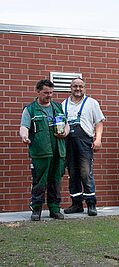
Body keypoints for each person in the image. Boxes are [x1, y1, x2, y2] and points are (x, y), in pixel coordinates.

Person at [19, 79, 69, 221]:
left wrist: (65, 132)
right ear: (38, 91)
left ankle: (54, 209)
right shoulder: (30, 109)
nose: (49, 95)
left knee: (55, 181)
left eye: (51, 93)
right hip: (40, 152)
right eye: (46, 93)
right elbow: (24, 126)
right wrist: (24, 136)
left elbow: (66, 125)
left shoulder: (58, 107)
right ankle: (36, 209)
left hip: (58, 151)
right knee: (39, 182)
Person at [62, 77, 105, 216]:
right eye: (75, 86)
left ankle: (91, 204)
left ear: (84, 88)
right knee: (73, 174)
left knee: (86, 173)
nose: (78, 89)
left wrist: (98, 139)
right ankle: (76, 204)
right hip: (68, 142)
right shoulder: (63, 104)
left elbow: (99, 123)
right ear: (71, 87)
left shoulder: (92, 103)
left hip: (85, 141)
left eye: (80, 86)